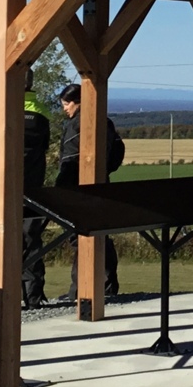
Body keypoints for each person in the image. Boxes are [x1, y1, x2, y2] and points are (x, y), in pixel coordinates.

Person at [57, 83, 125, 299]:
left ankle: (80, 289)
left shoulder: (76, 125)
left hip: (77, 189)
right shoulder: (105, 122)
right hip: (102, 184)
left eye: (66, 104)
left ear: (76, 102)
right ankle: (107, 285)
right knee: (100, 235)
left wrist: (61, 189)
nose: (64, 109)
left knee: (81, 237)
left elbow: (68, 160)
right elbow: (117, 152)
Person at [19, 70, 54, 307]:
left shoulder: (2, 107)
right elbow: (46, 146)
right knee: (32, 240)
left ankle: (7, 293)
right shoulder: (42, 112)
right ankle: (34, 295)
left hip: (5, 189)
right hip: (34, 187)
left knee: (4, 241)